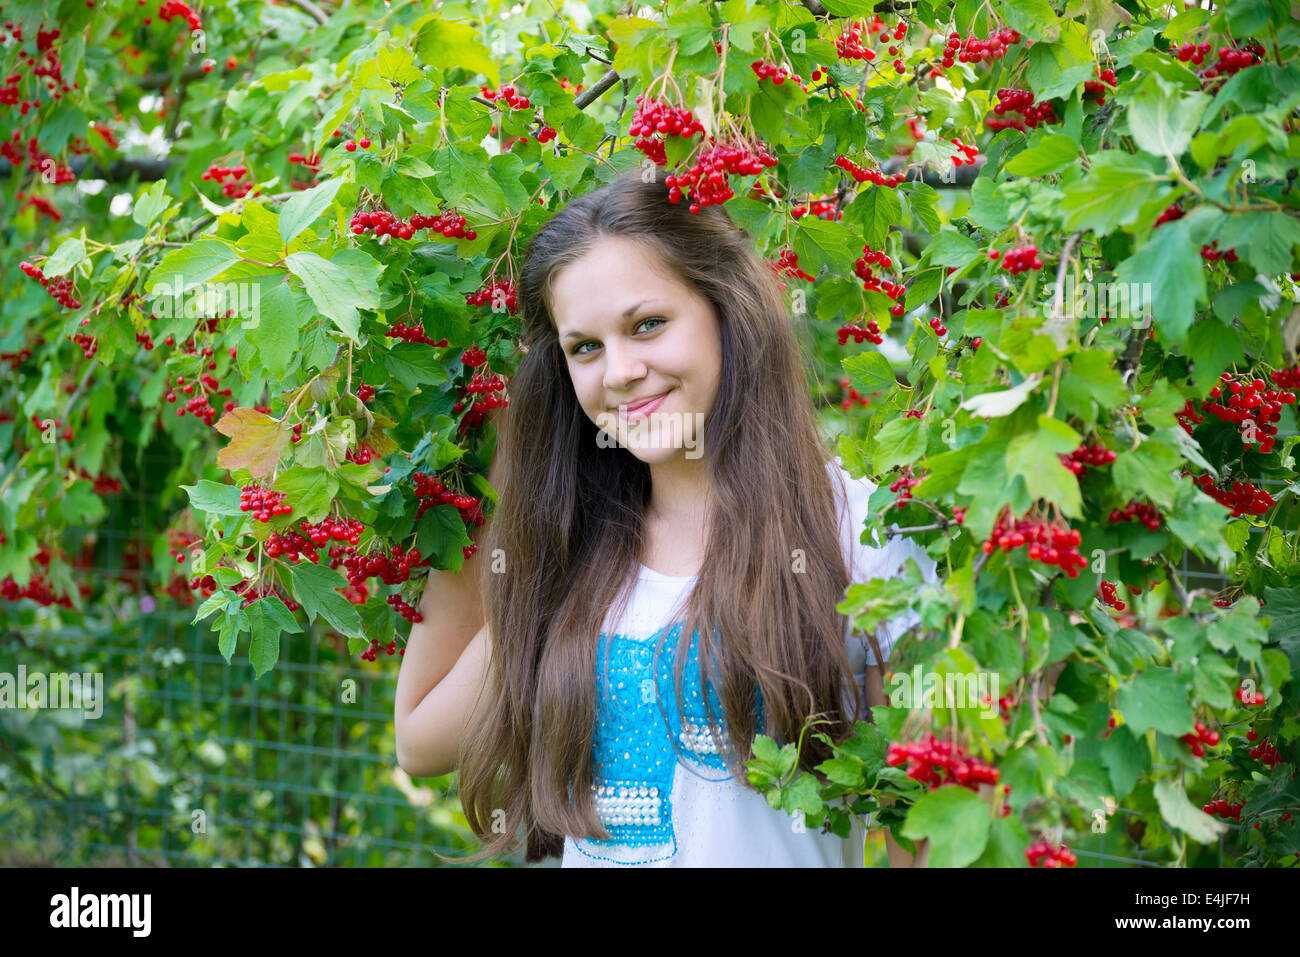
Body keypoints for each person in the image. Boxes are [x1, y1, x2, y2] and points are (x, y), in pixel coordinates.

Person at [394, 165, 938, 867]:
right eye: (584, 347)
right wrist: (478, 476)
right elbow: (421, 739)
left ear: (726, 309)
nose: (618, 370)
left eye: (647, 324)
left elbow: (918, 832)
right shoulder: (576, 555)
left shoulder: (864, 532)